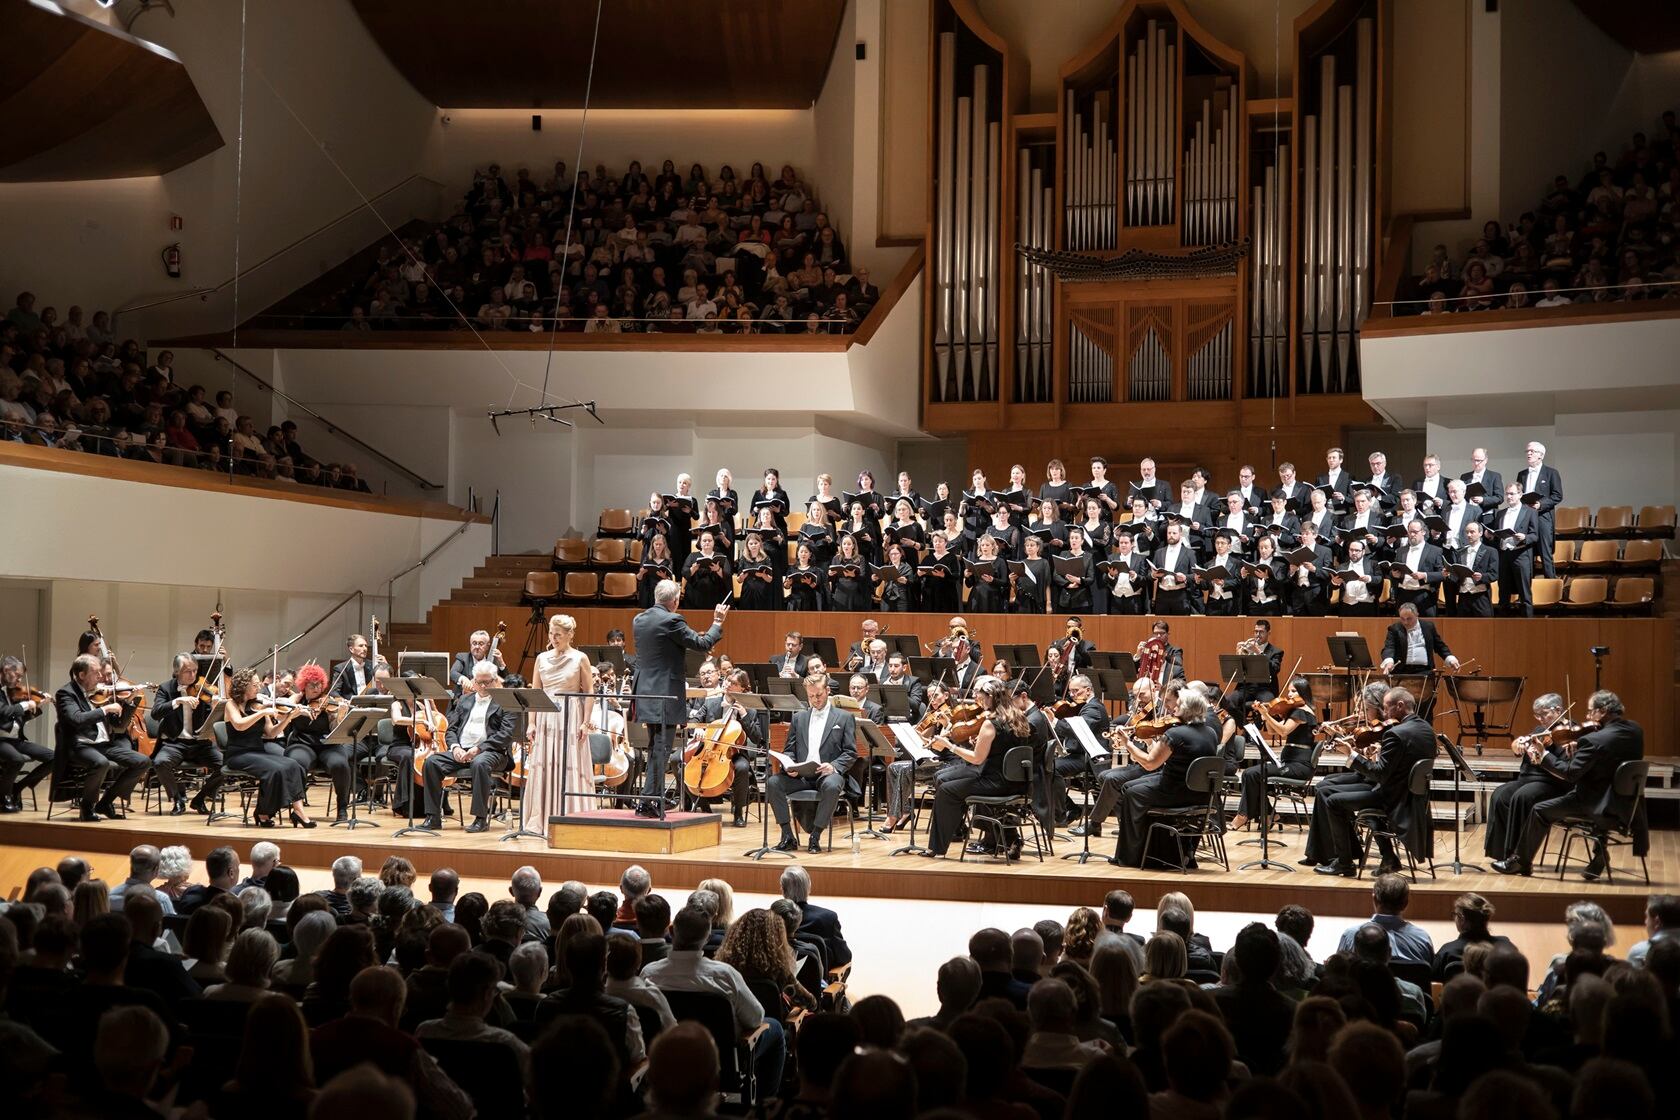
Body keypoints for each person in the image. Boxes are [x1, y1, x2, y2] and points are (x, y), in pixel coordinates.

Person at [1495, 689, 1644, 879]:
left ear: (1604, 710)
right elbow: (1606, 760)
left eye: (1591, 712)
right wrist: (1581, 751)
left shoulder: (1594, 740)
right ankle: (1599, 854)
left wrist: (1545, 755)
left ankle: (1521, 862)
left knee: (1539, 810)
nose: (1588, 717)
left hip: (1596, 803)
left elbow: (1570, 774)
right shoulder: (1635, 730)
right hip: (1627, 803)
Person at [642, 904, 785, 1097]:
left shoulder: (649, 973)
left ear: (671, 931)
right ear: (707, 938)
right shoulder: (725, 974)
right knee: (774, 1026)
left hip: (666, 1059)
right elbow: (755, 1018)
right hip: (721, 1064)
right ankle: (763, 1105)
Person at [1312, 687, 1436, 877]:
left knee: (1333, 801)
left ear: (1400, 706)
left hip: (1393, 798)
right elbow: (1399, 763)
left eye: (1386, 708)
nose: (1384, 713)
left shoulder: (1395, 734)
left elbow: (1379, 774)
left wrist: (1351, 754)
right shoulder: (1426, 728)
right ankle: (1386, 857)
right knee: (1330, 792)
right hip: (1413, 796)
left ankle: (1344, 864)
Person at [632, 580, 726, 819]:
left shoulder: (639, 620)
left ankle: (647, 798)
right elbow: (702, 643)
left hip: (644, 692)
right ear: (674, 601)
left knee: (655, 747)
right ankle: (648, 800)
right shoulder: (672, 620)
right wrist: (717, 622)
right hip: (665, 693)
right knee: (661, 748)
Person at [922, 676, 1030, 859]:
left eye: (981, 697)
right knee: (946, 781)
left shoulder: (990, 723)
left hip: (995, 783)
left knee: (947, 791)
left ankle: (937, 848)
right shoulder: (1018, 717)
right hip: (1018, 782)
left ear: (991, 698)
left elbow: (977, 759)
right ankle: (1004, 836)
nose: (979, 701)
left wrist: (950, 746)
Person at [1111, 689, 1218, 867]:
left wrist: (1128, 744)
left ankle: (1132, 856)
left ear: (1187, 708)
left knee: (1131, 793)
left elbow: (1149, 763)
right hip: (1201, 794)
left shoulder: (1176, 734)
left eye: (1178, 704)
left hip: (1174, 792)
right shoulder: (1210, 732)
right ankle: (1159, 851)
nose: (1173, 707)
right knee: (1129, 786)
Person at [55, 652, 150, 821]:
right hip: (79, 745)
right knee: (101, 763)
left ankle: (106, 802)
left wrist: (129, 702)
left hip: (104, 745)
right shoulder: (66, 693)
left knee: (142, 761)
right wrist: (105, 709)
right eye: (96, 673)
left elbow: (119, 726)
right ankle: (87, 807)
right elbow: (76, 719)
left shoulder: (100, 693)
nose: (101, 677)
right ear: (82, 675)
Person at [420, 661, 513, 833]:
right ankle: (433, 817)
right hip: (462, 750)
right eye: (479, 682)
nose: (483, 686)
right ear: (473, 681)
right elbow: (451, 729)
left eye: (487, 682)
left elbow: (505, 735)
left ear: (495, 681)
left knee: (480, 763)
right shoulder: (464, 700)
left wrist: (478, 749)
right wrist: (455, 747)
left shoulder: (505, 702)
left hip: (492, 752)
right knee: (431, 763)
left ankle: (480, 819)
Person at [768, 673, 856, 853]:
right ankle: (787, 835)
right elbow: (790, 749)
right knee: (773, 783)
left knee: (832, 786)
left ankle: (815, 836)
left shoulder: (844, 717)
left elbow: (850, 752)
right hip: (801, 775)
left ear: (828, 690)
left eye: (819, 695)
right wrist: (789, 765)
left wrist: (834, 766)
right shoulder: (799, 718)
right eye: (811, 696)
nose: (815, 699)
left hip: (827, 774)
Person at [1485, 692, 1571, 863]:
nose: (1540, 719)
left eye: (1543, 714)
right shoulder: (1540, 731)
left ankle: (1516, 856)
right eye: (1536, 715)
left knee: (1522, 796)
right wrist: (1518, 745)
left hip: (1553, 782)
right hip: (1529, 779)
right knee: (1500, 795)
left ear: (1559, 710)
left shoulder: (1570, 734)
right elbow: (1519, 745)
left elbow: (1567, 767)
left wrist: (1544, 752)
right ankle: (1500, 853)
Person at [222, 667, 313, 828]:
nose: (259, 688)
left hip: (257, 751)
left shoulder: (258, 705)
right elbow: (239, 725)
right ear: (244, 686)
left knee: (292, 764)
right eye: (255, 685)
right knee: (275, 770)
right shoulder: (231, 704)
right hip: (238, 754)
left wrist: (288, 719)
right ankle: (263, 812)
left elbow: (271, 734)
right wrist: (262, 713)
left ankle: (298, 811)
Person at [527, 613, 594, 820]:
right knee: (544, 764)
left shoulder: (580, 657)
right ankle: (543, 816)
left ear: (569, 635)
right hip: (546, 715)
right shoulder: (541, 658)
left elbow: (589, 692)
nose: (553, 638)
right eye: (551, 634)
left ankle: (571, 815)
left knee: (568, 762)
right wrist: (531, 723)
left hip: (570, 714)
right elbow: (535, 692)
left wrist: (585, 722)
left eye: (558, 635)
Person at [1228, 676, 1316, 832]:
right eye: (1289, 691)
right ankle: (1270, 814)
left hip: (1299, 765)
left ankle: (1243, 815)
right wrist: (1265, 715)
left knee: (1252, 774)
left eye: (1294, 691)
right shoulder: (1297, 711)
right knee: (1253, 774)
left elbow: (1283, 731)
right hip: (1289, 762)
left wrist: (1267, 714)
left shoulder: (1303, 712)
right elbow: (1271, 731)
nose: (1289, 695)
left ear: (1303, 692)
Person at [686, 668, 766, 826]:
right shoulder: (711, 703)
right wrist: (697, 728)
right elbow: (694, 720)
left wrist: (744, 715)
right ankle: (704, 808)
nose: (728, 684)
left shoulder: (749, 709)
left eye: (734, 683)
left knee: (742, 768)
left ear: (742, 688)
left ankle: (738, 813)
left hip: (734, 753)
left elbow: (757, 738)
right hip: (708, 749)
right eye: (728, 681)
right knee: (678, 761)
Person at [149, 653, 225, 815]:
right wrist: (177, 701)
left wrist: (215, 708)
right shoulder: (166, 688)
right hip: (175, 743)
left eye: (195, 671)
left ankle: (200, 799)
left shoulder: (203, 690)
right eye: (187, 671)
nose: (193, 675)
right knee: (160, 763)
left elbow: (217, 720)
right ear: (176, 672)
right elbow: (155, 713)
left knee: (226, 765)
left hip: (200, 744)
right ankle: (177, 799)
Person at [281, 663, 354, 823]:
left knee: (340, 764)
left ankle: (342, 807)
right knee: (296, 762)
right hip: (302, 744)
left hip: (328, 745)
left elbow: (336, 730)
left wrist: (340, 714)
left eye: (320, 684)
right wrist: (294, 706)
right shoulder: (296, 700)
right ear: (303, 686)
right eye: (312, 685)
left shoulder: (330, 703)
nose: (317, 688)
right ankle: (297, 808)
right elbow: (281, 717)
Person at [1334, 873, 1435, 965]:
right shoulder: (1422, 939)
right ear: (1406, 903)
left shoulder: (1350, 935)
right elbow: (1431, 976)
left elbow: (1339, 975)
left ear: (1374, 899)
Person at [0, 655, 52, 812]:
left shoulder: (10, 692)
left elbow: (17, 719)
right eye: (18, 676)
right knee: (17, 759)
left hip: (15, 740)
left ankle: (18, 788)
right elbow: (4, 712)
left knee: (53, 757)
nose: (19, 681)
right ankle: (3, 795)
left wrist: (37, 705)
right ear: (7, 670)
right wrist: (25, 704)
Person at [1488, 482, 1540, 616]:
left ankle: (1528, 626)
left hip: (1521, 555)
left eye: (1512, 494)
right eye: (1507, 494)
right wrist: (1491, 535)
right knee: (1503, 592)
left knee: (1524, 593)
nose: (1509, 496)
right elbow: (1498, 533)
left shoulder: (1530, 512)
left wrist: (1525, 537)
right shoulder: (1500, 513)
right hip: (1504, 555)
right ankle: (1503, 625)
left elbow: (1535, 536)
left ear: (1520, 494)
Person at [1517, 440, 1564, 578]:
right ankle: (1527, 588)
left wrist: (1540, 505)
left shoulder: (1551, 473)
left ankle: (1551, 585)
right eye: (1527, 451)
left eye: (1532, 451)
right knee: (1527, 553)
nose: (1529, 454)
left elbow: (1557, 495)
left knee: (1545, 553)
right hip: (1526, 516)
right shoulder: (1522, 474)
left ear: (1541, 455)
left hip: (1543, 517)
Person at [1379, 603, 1460, 674]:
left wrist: (1450, 659)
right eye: (1402, 619)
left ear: (1417, 614)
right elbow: (1389, 647)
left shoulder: (1428, 627)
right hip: (1402, 671)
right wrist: (1389, 661)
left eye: (1409, 619)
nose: (1405, 622)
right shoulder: (1395, 629)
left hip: (1425, 671)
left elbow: (1440, 646)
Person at [449, 629, 507, 694]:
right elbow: (453, 673)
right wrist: (463, 679)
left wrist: (501, 663)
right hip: (463, 700)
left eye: (481, 644)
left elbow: (507, 683)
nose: (477, 647)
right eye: (474, 643)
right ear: (470, 645)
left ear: (488, 646)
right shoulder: (463, 658)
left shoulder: (493, 662)